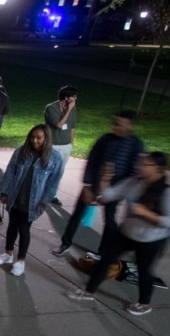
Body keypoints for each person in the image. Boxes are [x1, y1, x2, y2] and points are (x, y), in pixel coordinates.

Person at [67, 152, 170, 316]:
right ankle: (88, 292)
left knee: (144, 271)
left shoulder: (168, 192)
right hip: (126, 233)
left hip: (150, 239)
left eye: (146, 164)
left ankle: (144, 303)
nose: (140, 166)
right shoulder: (134, 182)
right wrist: (105, 179)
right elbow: (107, 196)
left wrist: (146, 213)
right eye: (141, 163)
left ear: (159, 169)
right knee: (105, 260)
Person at [55, 110, 144, 257]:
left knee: (109, 221)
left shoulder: (136, 144)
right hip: (94, 184)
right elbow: (92, 161)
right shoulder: (105, 139)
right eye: (115, 123)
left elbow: (134, 173)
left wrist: (112, 192)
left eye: (120, 125)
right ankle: (65, 243)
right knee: (77, 215)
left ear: (130, 126)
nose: (115, 127)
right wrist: (87, 185)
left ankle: (102, 253)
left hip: (116, 190)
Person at [0, 124, 64, 276]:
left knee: (24, 229)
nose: (34, 140)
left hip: (33, 201)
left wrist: (44, 201)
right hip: (16, 196)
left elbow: (53, 183)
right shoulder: (21, 151)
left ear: (46, 139)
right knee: (12, 226)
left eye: (39, 138)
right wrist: (4, 191)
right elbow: (10, 171)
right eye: (32, 137)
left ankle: (20, 261)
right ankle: (8, 253)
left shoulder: (55, 158)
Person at [44, 85, 78, 205]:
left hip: (65, 146)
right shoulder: (51, 108)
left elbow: (73, 126)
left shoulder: (73, 108)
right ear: (67, 98)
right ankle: (41, 192)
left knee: (59, 172)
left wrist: (71, 144)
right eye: (74, 97)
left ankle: (52, 195)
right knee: (47, 170)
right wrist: (68, 110)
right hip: (52, 145)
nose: (76, 100)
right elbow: (58, 125)